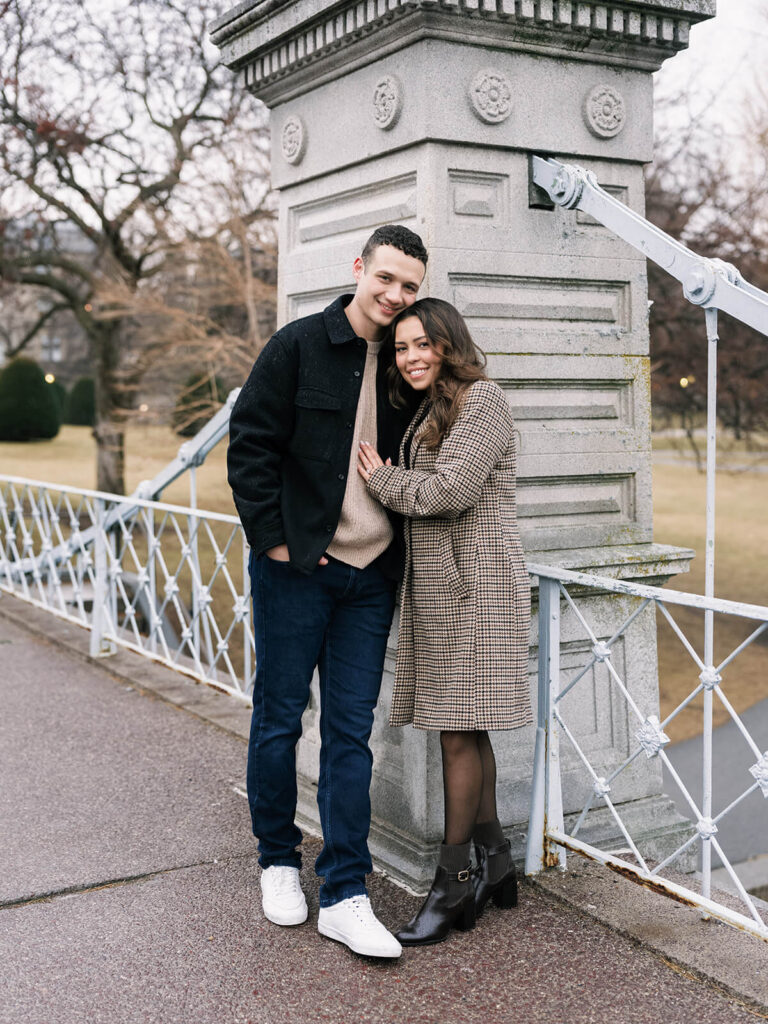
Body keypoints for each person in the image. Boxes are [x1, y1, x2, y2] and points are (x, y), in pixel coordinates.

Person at [227, 224, 427, 959]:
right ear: (360, 270)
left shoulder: (410, 364)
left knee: (352, 735)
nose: (396, 296)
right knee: (279, 719)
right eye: (387, 278)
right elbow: (248, 443)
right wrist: (275, 542)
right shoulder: (297, 346)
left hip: (370, 578)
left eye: (410, 285)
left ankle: (345, 891)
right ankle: (277, 861)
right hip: (296, 570)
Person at [357, 297, 532, 946]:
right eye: (401, 348)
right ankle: (498, 864)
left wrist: (386, 482)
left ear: (449, 342)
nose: (412, 357)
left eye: (423, 344)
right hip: (442, 593)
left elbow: (448, 492)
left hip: (476, 593)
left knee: (457, 734)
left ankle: (455, 878)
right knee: (465, 729)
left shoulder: (482, 401)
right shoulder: (435, 408)